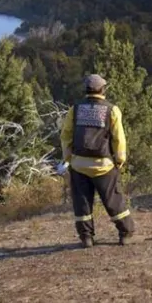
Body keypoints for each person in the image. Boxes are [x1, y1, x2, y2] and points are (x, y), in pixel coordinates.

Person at [60, 74, 135, 247]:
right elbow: (119, 138)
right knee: (113, 200)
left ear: (86, 90)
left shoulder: (75, 109)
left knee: (82, 203)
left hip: (79, 164)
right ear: (103, 89)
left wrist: (68, 158)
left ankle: (86, 237)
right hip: (104, 165)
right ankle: (126, 233)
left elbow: (66, 135)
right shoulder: (111, 110)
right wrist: (120, 159)